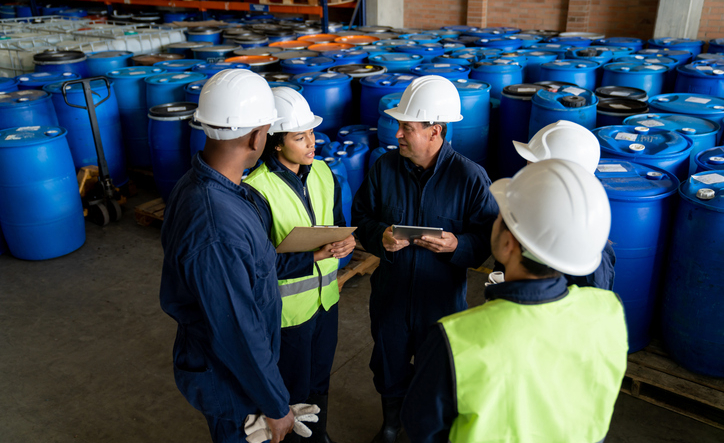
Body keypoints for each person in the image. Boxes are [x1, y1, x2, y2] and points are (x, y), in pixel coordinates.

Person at [401, 159, 629, 443]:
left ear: (509, 244)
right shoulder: (608, 311)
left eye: (500, 217)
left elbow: (422, 429)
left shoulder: (455, 339)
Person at [351, 75, 499, 443]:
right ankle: (390, 425)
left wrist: (457, 246)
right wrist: (380, 236)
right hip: (390, 294)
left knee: (438, 371)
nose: (397, 134)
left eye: (407, 127)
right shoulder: (383, 169)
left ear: (436, 131)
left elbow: (488, 238)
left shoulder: (470, 178)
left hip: (441, 300)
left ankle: (429, 432)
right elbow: (360, 218)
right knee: (388, 363)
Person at [159, 70, 296, 443]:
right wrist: (275, 405)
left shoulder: (210, 185)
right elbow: (236, 328)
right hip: (232, 381)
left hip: (237, 369)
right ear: (255, 136)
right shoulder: (216, 223)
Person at [244, 86, 356, 443]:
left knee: (320, 380)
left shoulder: (324, 173)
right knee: (292, 389)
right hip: (287, 314)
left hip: (327, 303)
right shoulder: (257, 191)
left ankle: (317, 436)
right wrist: (314, 256)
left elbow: (338, 223)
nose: (312, 142)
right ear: (275, 143)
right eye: (299, 136)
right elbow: (254, 268)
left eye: (311, 133)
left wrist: (347, 241)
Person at [511, 120, 615, 290]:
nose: (526, 173)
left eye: (534, 167)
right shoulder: (531, 210)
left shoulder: (589, 252)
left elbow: (585, 310)